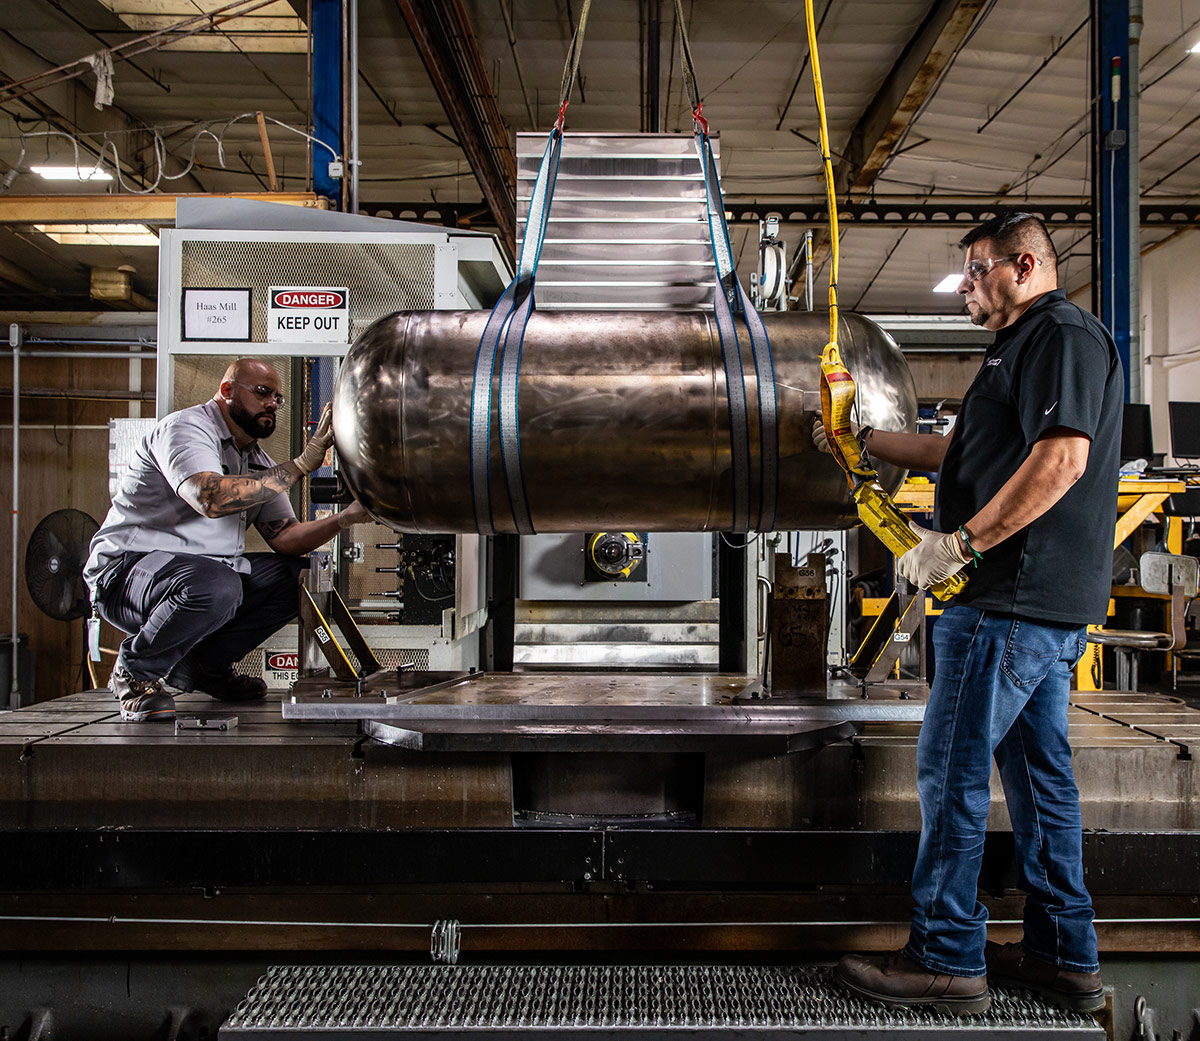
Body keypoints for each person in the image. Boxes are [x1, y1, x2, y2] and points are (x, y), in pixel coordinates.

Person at [816, 212, 1122, 1015]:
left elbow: (1062, 459)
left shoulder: (1061, 335)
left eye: (976, 272)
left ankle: (948, 955)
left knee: (950, 767)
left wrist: (959, 546)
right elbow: (959, 454)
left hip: (1007, 600)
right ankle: (1063, 951)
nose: (967, 290)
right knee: (1037, 776)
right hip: (1030, 604)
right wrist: (860, 442)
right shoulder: (1018, 348)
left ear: (1024, 264)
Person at [84, 358, 368, 723]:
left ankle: (203, 666)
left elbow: (285, 538)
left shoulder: (255, 460)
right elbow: (210, 497)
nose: (271, 403)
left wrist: (347, 518)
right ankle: (135, 672)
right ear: (227, 391)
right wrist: (300, 465)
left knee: (300, 579)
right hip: (126, 572)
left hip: (204, 578)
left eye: (277, 399)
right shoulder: (186, 429)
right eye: (262, 392)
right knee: (218, 585)